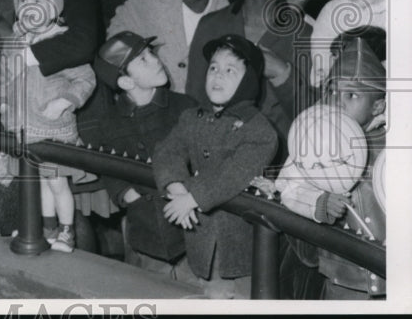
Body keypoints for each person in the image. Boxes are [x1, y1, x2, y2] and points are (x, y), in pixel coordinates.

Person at [153, 34, 279, 299]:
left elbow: (233, 173)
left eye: (230, 70)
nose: (218, 75)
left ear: (248, 81)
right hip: (198, 243)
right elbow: (167, 151)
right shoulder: (192, 118)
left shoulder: (260, 131)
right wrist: (176, 188)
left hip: (237, 252)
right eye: (213, 68)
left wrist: (193, 197)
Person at [273, 40, 386, 299]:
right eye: (333, 92)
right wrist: (319, 202)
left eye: (352, 95)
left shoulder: (393, 143)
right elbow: (289, 184)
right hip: (341, 276)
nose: (337, 102)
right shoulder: (314, 138)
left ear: (378, 106)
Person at [0, 0, 96, 253]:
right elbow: (3, 76)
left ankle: (67, 231)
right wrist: (2, 101)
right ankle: (45, 228)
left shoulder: (61, 43)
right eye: (25, 3)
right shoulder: (13, 43)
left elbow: (86, 79)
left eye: (39, 3)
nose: (31, 10)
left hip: (52, 130)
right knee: (37, 182)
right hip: (23, 128)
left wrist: (65, 101)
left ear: (55, 9)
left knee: (56, 182)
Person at [79, 33, 198, 276]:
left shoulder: (184, 106)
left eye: (151, 53)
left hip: (191, 233)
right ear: (125, 82)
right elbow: (110, 170)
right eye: (143, 59)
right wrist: (127, 195)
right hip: (144, 236)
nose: (155, 60)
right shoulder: (110, 123)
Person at [185, 0, 306, 144]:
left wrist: (282, 73)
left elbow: (311, 115)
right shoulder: (211, 25)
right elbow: (194, 98)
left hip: (280, 157)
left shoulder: (304, 34)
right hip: (214, 149)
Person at [309, 0, 388, 89]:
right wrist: (326, 68)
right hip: (333, 76)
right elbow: (320, 42)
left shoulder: (390, 15)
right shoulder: (334, 9)